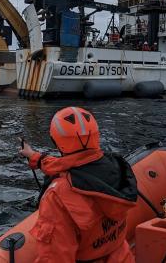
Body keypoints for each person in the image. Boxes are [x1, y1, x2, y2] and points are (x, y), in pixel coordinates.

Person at [19, 107, 138, 262]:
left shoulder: (58, 196)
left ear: (57, 142)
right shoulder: (116, 166)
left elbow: (55, 257)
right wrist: (35, 157)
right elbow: (77, 162)